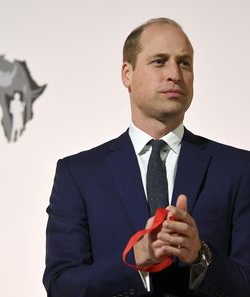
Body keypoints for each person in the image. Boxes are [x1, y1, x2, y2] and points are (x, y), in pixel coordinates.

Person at [43, 18, 250, 297]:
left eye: (184, 63)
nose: (175, 74)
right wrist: (136, 259)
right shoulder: (78, 175)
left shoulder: (237, 169)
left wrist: (200, 257)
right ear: (127, 73)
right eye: (159, 61)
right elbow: (61, 286)